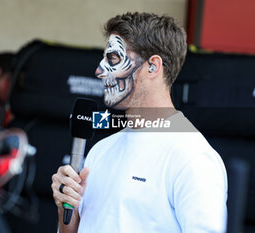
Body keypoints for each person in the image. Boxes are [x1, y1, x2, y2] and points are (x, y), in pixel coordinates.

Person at [51, 12, 228, 233]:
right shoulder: (100, 150)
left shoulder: (192, 157)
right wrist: (66, 208)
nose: (99, 71)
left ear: (153, 66)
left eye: (113, 59)